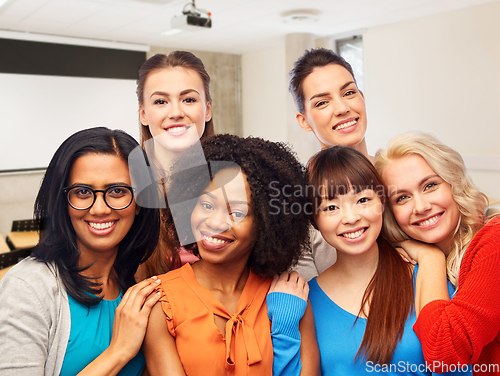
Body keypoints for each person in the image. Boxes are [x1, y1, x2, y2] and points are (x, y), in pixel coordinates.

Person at [142, 134, 319, 376]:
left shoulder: (289, 296)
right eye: (206, 205)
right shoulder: (160, 303)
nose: (214, 222)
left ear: (267, 223)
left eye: (236, 212)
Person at [0, 127, 161, 376]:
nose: (99, 209)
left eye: (117, 191)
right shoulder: (28, 287)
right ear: (63, 202)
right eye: (83, 192)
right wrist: (118, 352)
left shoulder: (137, 280)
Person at [306, 145, 469, 375]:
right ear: (315, 220)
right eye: (331, 207)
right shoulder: (307, 299)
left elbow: (453, 367)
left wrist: (430, 258)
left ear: (382, 203)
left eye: (362, 200)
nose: (351, 218)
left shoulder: (427, 274)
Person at [374, 132, 499, 375]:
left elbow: (445, 353)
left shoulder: (494, 239)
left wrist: (430, 257)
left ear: (454, 184)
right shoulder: (407, 266)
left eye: (430, 185)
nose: (421, 207)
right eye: (402, 198)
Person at [289, 47, 370, 281]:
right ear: (304, 121)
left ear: (362, 98)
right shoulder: (299, 199)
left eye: (349, 93)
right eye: (322, 102)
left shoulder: (397, 174)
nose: (342, 108)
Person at [135, 51, 214, 278]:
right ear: (143, 114)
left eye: (188, 99)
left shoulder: (235, 181)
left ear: (207, 109)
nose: (176, 113)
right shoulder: (127, 187)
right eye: (161, 101)